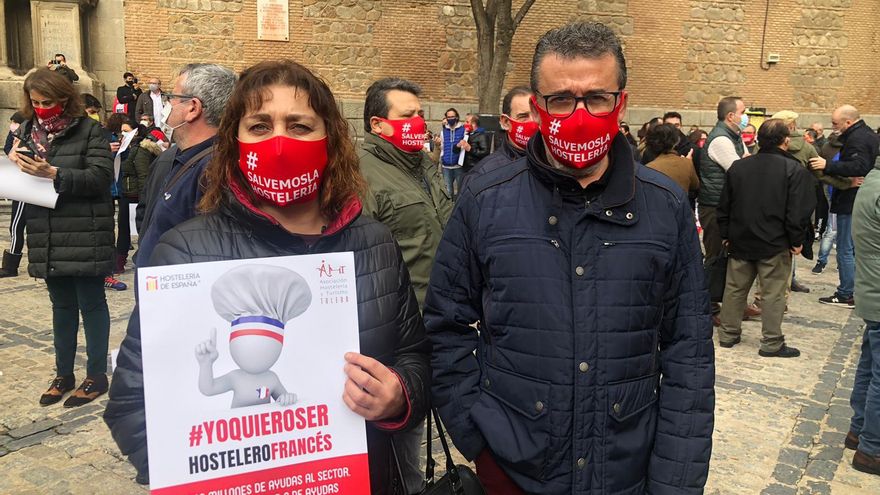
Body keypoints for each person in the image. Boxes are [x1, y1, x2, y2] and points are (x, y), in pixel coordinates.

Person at [105, 60, 430, 494]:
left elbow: (416, 357)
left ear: (329, 139)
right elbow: (131, 403)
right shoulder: (184, 251)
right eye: (259, 126)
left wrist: (399, 394)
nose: (279, 142)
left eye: (298, 126)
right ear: (235, 141)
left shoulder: (374, 244)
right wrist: (203, 476)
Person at [425, 22, 714, 493]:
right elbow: (445, 326)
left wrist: (676, 480)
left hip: (626, 471)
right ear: (537, 106)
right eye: (561, 98)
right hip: (514, 470)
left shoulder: (664, 205)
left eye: (597, 97)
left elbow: (690, 354)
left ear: (620, 102)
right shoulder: (486, 198)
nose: (579, 113)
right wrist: (480, 439)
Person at [358, 77, 453, 493]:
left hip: (439, 321)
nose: (418, 121)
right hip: (395, 332)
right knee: (400, 443)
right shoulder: (361, 172)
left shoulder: (425, 165)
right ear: (378, 124)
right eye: (407, 115)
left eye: (419, 114)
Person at [8, 68, 114, 407]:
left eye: (48, 102)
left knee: (92, 304)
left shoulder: (90, 130)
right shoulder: (26, 131)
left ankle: (96, 375)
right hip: (48, 231)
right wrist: (12, 164)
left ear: (65, 100)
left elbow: (100, 177)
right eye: (35, 102)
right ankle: (63, 374)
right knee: (61, 307)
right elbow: (19, 175)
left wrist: (54, 173)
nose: (41, 109)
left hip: (85, 231)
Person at [716, 119, 815, 357]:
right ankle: (771, 342)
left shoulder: (739, 167)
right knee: (773, 294)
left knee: (735, 290)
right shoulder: (793, 170)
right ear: (786, 141)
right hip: (774, 242)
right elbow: (796, 212)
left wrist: (726, 233)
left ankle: (728, 334)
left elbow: (724, 205)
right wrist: (796, 241)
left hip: (741, 239)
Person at [134, 63, 236, 267]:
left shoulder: (214, 171)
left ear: (193, 108)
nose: (167, 104)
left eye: (172, 97)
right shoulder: (181, 157)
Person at [810, 105, 880, 308]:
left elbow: (859, 166)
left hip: (851, 200)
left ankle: (846, 293)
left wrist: (827, 165)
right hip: (856, 198)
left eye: (835, 123)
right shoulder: (865, 135)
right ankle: (854, 290)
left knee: (845, 248)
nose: (833, 127)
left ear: (848, 122)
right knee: (853, 248)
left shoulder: (857, 138)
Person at [698, 96, 757, 322]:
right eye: (743, 111)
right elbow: (741, 169)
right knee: (714, 257)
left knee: (731, 258)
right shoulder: (721, 140)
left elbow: (746, 161)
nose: (746, 116)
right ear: (731, 116)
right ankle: (709, 308)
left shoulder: (734, 136)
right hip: (714, 206)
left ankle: (733, 305)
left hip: (728, 205)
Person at [848, 156, 880, 476]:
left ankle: (858, 430)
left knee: (870, 364)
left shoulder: (872, 179)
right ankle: (872, 448)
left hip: (873, 290)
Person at [464, 86, 537, 185]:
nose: (533, 122)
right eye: (523, 116)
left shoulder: (555, 166)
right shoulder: (481, 176)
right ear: (506, 122)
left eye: (537, 114)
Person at [1, 112, 27, 277]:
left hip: (27, 186)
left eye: (15, 123)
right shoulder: (16, 136)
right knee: (16, 226)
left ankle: (11, 266)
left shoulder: (30, 138)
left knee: (17, 225)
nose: (12, 125)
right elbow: (7, 148)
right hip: (21, 184)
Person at [645, 123, 699, 194]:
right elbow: (695, 186)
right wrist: (688, 163)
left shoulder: (648, 167)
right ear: (676, 141)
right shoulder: (686, 163)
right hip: (681, 203)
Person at [438, 107, 467, 197]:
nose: (450, 119)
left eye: (452, 116)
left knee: (460, 191)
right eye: (448, 117)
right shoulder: (443, 132)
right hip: (446, 166)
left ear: (457, 117)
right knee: (448, 192)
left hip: (459, 166)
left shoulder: (463, 130)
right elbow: (442, 147)